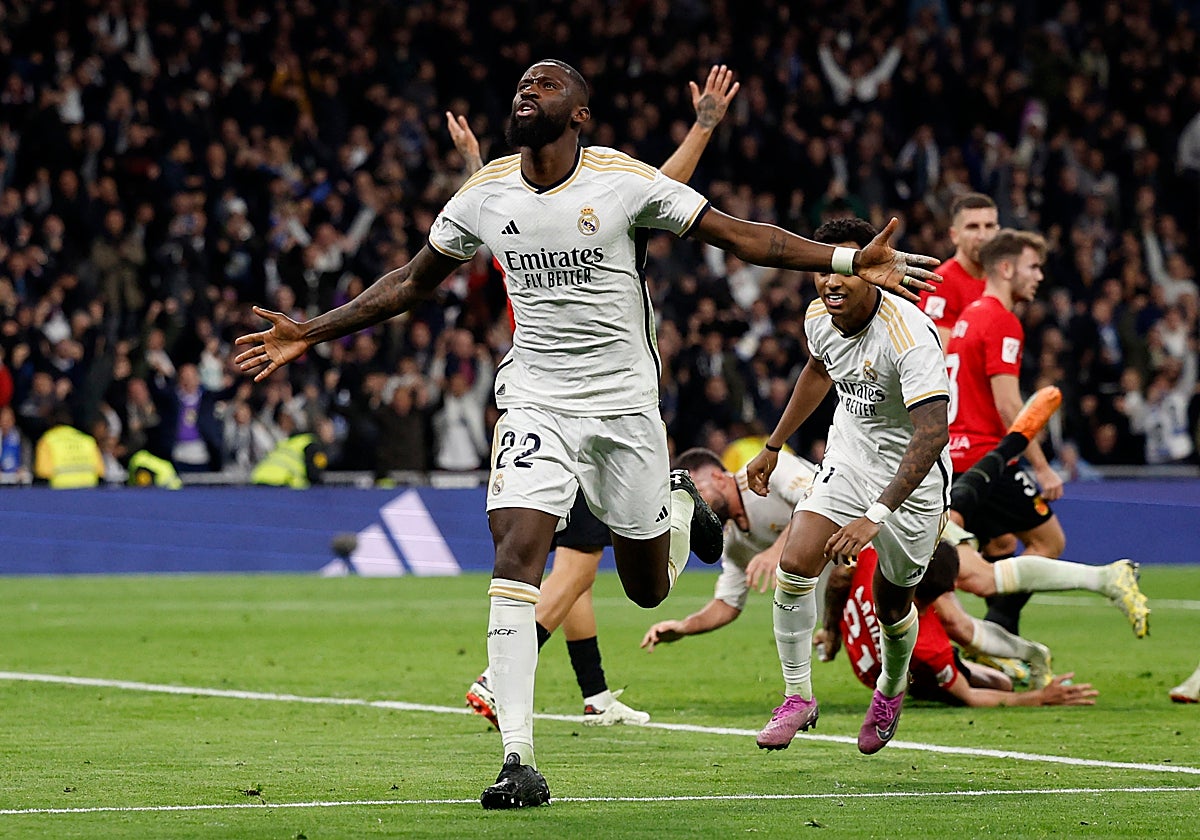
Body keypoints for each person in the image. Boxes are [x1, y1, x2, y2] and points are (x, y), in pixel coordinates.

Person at [235, 59, 941, 809]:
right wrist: (310, 331)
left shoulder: (620, 180)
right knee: (517, 551)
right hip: (535, 400)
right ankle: (517, 758)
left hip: (626, 411)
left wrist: (841, 258)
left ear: (581, 116)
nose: (527, 88)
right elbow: (410, 283)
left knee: (646, 588)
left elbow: (743, 239)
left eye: (548, 83)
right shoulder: (483, 194)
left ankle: (674, 510)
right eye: (522, 82)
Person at [461, 66, 742, 731]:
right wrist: (476, 170)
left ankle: (587, 692)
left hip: (611, 403)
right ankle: (505, 675)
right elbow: (476, 209)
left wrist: (701, 128)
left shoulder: (561, 220)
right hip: (561, 404)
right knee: (578, 561)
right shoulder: (525, 222)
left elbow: (661, 189)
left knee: (579, 563)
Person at [744, 217, 950, 756]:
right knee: (796, 562)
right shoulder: (819, 316)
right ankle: (797, 697)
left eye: (847, 272)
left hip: (914, 477)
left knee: (892, 601)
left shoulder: (909, 334)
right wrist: (773, 445)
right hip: (850, 455)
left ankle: (890, 688)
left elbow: (931, 436)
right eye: (824, 270)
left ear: (873, 274)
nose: (831, 283)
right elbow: (817, 370)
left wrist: (873, 517)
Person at [945, 229, 1065, 635]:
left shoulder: (967, 317)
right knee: (1049, 543)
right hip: (986, 457)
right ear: (1007, 267)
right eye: (1033, 267)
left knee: (998, 546)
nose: (1039, 276)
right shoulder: (1002, 321)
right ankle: (998, 633)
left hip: (955, 457)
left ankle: (997, 640)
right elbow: (1010, 405)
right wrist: (1043, 469)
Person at [821, 541, 1099, 708]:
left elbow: (838, 580)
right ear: (948, 590)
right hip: (902, 677)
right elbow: (970, 697)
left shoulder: (876, 560)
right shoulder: (930, 644)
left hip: (862, 656)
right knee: (1002, 685)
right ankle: (991, 664)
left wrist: (830, 631)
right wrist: (1039, 697)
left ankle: (985, 660)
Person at [918, 193, 1000, 347]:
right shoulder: (940, 284)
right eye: (973, 227)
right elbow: (939, 357)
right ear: (954, 235)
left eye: (989, 226)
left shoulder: (1001, 280)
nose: (982, 236)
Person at [32, 407, 105, 489]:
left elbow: (43, 473)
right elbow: (100, 471)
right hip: (89, 492)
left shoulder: (47, 440)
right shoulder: (87, 440)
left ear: (50, 420)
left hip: (60, 493)